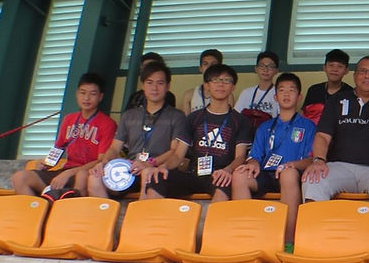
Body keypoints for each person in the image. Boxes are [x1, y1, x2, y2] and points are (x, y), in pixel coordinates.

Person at [302, 56, 369, 234]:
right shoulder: (337, 100)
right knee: (313, 179)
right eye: (362, 71)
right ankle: (319, 242)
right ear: (355, 76)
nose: (367, 75)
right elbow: (323, 136)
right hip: (339, 166)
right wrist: (318, 160)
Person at [145, 64, 253, 202]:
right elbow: (178, 155)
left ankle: (212, 223)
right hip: (193, 173)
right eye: (215, 80)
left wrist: (228, 170)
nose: (221, 84)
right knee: (157, 178)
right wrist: (163, 167)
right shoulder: (193, 118)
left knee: (224, 184)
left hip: (219, 174)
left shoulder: (241, 121)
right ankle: (154, 223)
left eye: (226, 80)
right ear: (206, 86)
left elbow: (240, 157)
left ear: (233, 87)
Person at [232, 72, 315, 251]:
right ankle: (247, 239)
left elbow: (312, 160)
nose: (286, 94)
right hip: (267, 173)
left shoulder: (308, 126)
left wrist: (292, 165)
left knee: (287, 173)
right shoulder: (265, 126)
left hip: (292, 175)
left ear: (299, 96)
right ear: (275, 96)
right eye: (282, 90)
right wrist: (253, 163)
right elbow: (255, 156)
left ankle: (288, 243)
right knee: (239, 175)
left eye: (291, 90)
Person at [89, 61, 189, 198]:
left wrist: (150, 163)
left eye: (160, 83)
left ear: (168, 86)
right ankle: (106, 215)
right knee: (94, 178)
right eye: (149, 82)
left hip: (155, 168)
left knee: (148, 174)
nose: (154, 88)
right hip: (129, 169)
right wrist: (104, 162)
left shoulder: (177, 116)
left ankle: (138, 217)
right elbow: (114, 148)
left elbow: (174, 151)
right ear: (143, 86)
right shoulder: (129, 115)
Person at [11, 73, 117, 196]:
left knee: (81, 177)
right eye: (82, 93)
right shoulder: (69, 119)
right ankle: (38, 210)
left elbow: (101, 160)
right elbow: (58, 148)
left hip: (85, 173)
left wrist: (69, 173)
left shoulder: (108, 124)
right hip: (65, 170)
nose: (86, 98)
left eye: (92, 94)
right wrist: (46, 163)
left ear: (100, 97)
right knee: (20, 178)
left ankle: (61, 203)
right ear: (77, 94)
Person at [301, 49, 352, 124]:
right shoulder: (314, 90)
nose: (335, 69)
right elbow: (304, 116)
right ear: (324, 68)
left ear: (346, 71)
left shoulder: (350, 93)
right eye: (331, 65)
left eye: (340, 66)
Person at [236, 51, 281, 127]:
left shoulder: (280, 93)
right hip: (247, 134)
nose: (265, 69)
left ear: (276, 71)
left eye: (270, 66)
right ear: (256, 69)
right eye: (262, 66)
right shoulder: (246, 93)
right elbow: (236, 116)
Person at [179, 49, 230, 115]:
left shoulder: (226, 95)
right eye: (205, 64)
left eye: (213, 64)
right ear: (200, 68)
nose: (209, 67)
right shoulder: (189, 95)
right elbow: (186, 123)